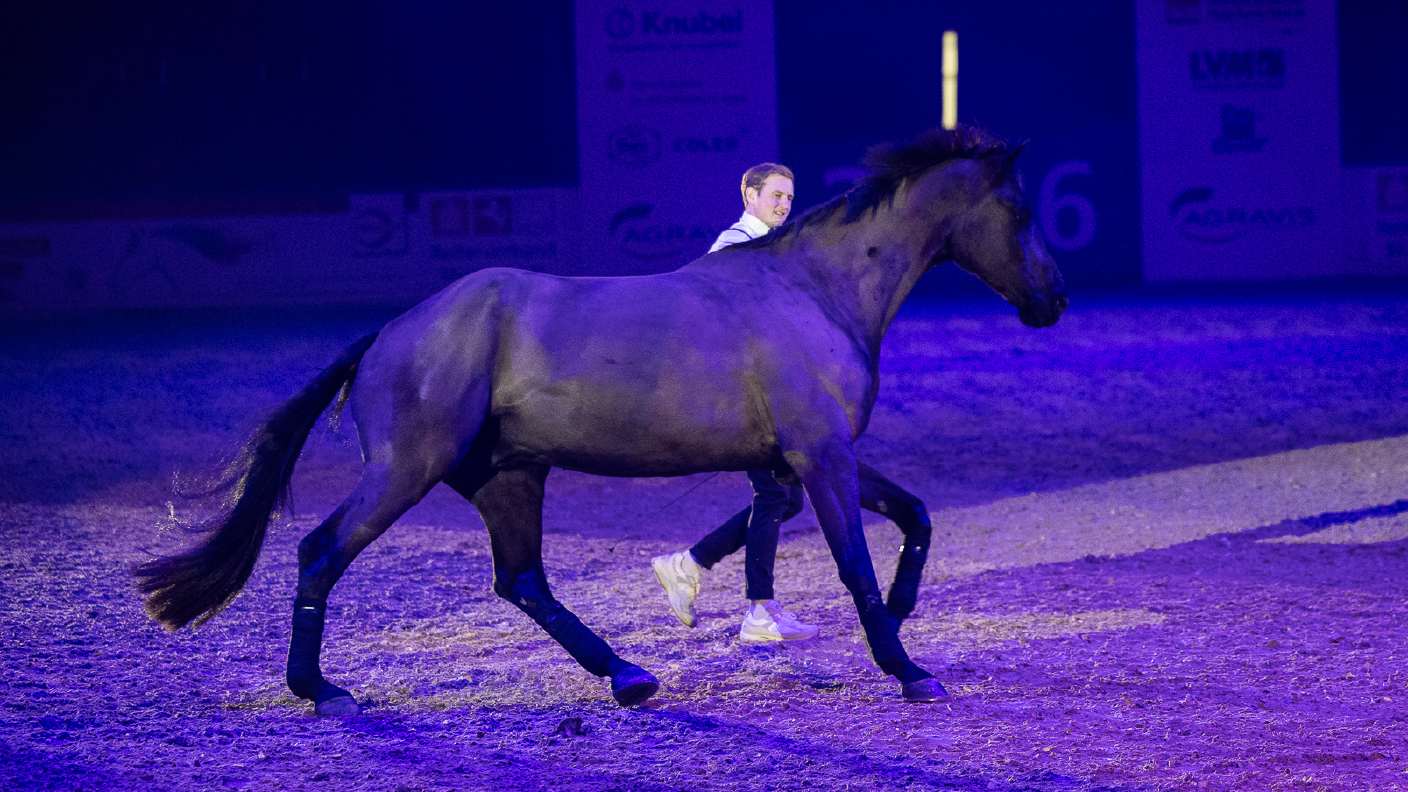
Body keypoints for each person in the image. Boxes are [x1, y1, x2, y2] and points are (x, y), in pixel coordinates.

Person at [651, 163, 819, 644]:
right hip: (748, 395)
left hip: (770, 392)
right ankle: (758, 613)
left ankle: (688, 563)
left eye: (789, 197)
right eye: (776, 196)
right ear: (749, 196)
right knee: (773, 496)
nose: (785, 205)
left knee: (787, 499)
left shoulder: (771, 248)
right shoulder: (731, 249)